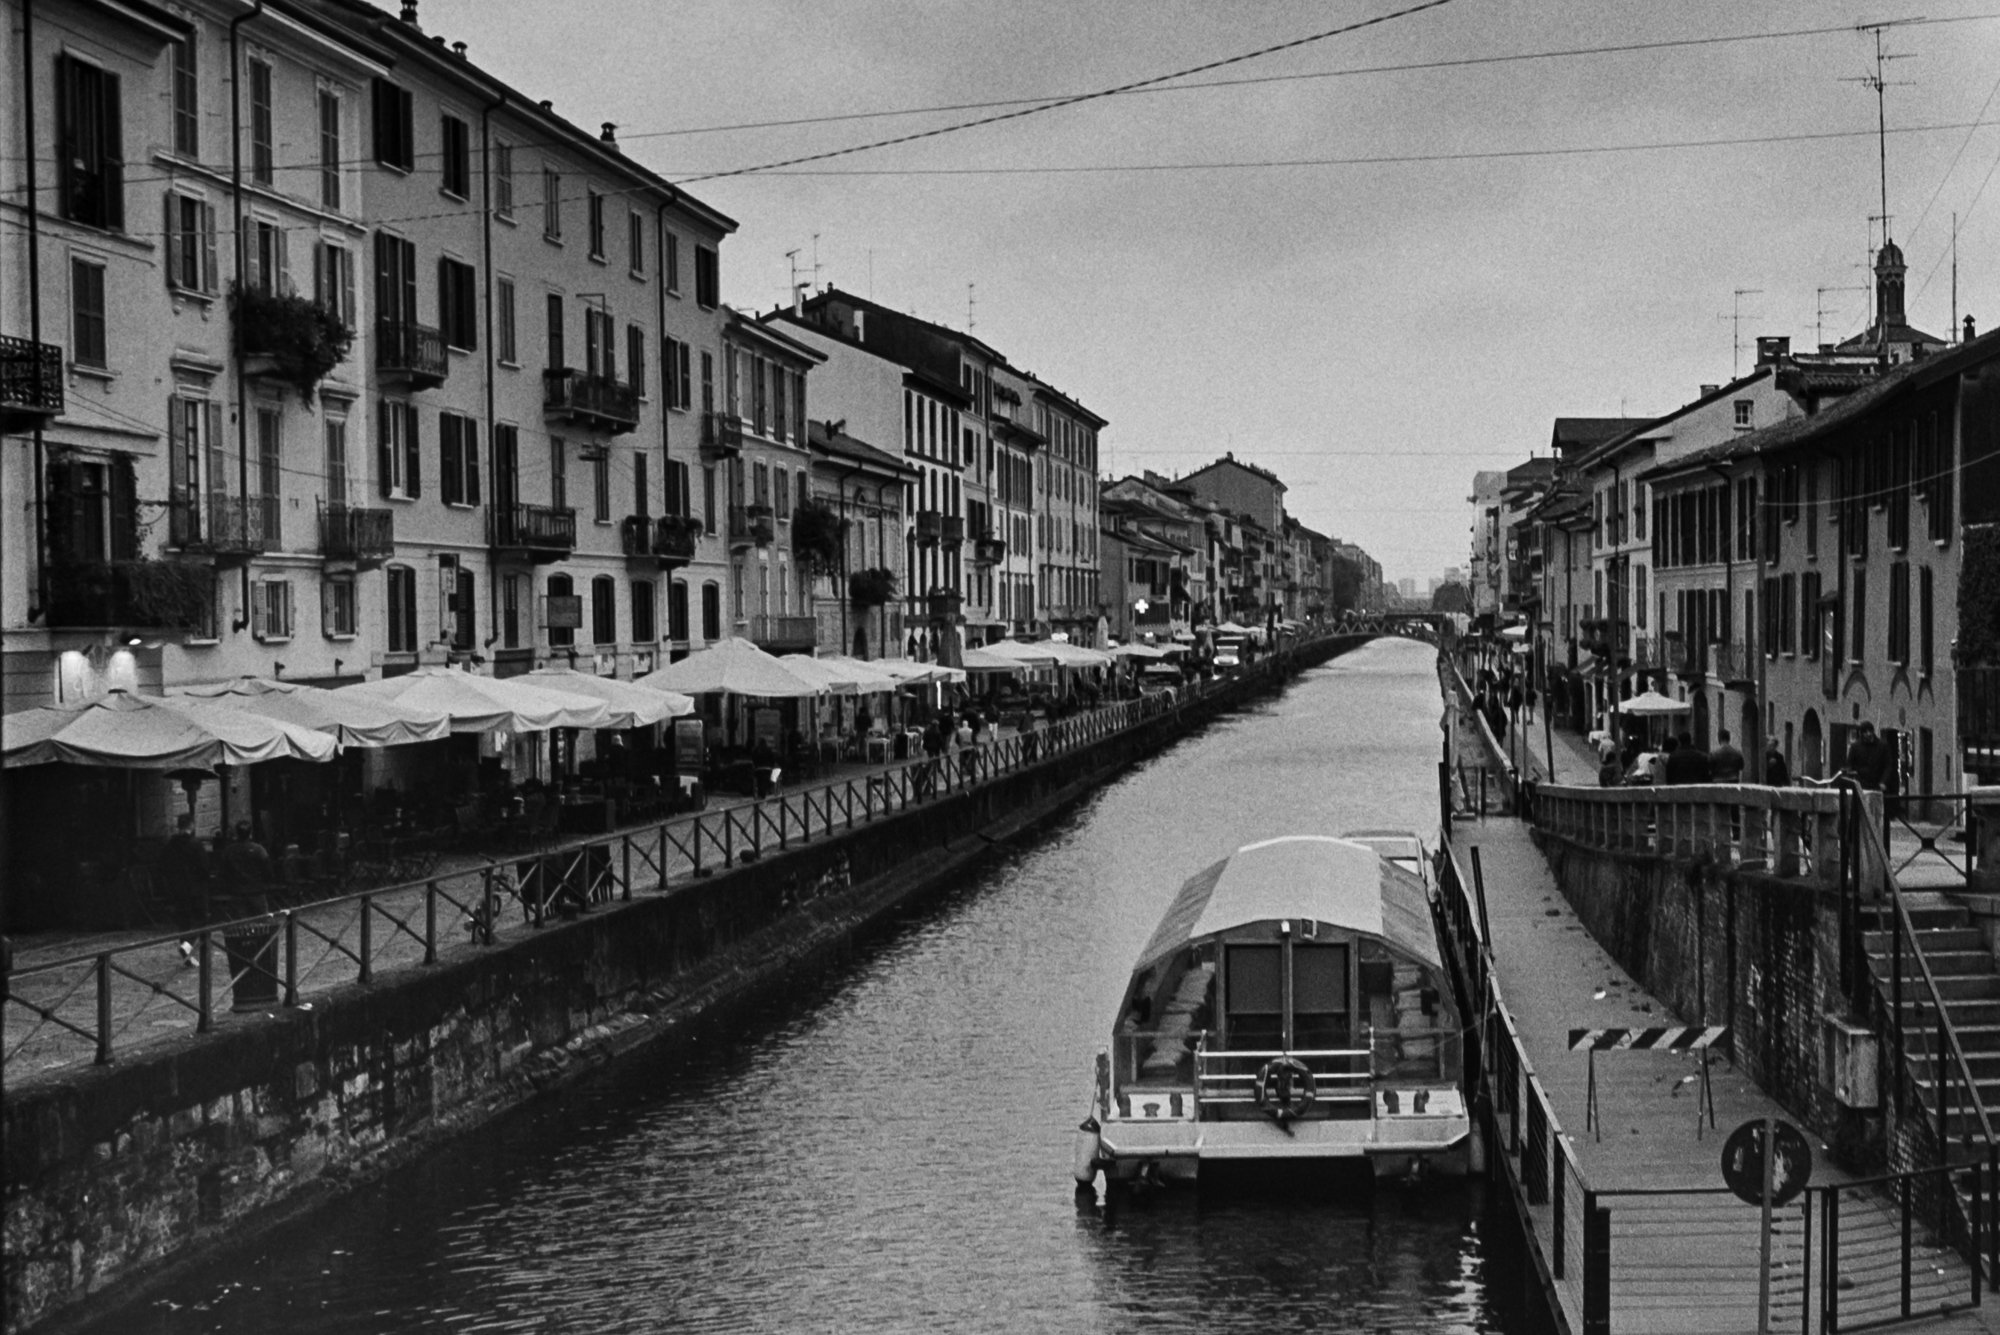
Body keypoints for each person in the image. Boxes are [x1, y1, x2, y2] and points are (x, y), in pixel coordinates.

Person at [215, 821, 274, 915]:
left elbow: (222, 871)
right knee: (261, 921)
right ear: (250, 833)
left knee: (240, 922)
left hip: (237, 893)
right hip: (257, 892)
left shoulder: (229, 850)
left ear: (237, 833)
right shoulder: (259, 849)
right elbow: (267, 870)